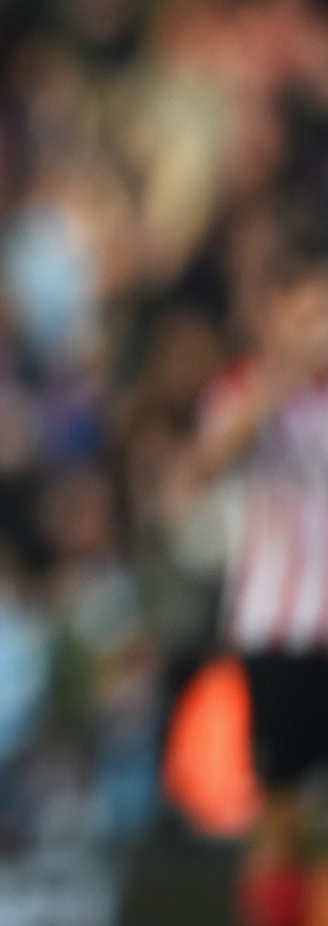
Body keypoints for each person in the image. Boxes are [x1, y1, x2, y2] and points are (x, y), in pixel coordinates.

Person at [177, 242, 328, 926]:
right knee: (281, 815)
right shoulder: (243, 389)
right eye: (304, 311)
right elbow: (205, 461)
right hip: (278, 632)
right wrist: (281, 375)